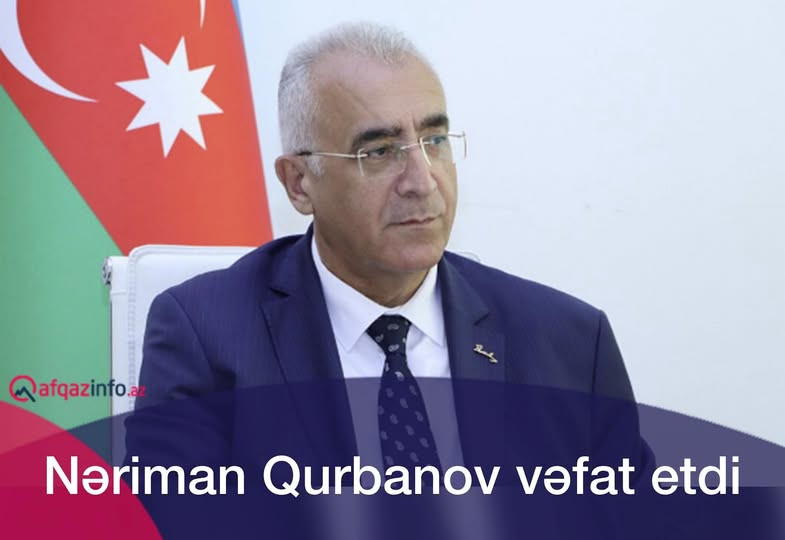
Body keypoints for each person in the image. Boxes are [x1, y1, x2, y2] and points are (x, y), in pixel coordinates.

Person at [127, 22, 651, 538]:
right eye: (378, 152)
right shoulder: (206, 337)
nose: (423, 182)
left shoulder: (569, 345)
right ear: (299, 183)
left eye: (435, 140)